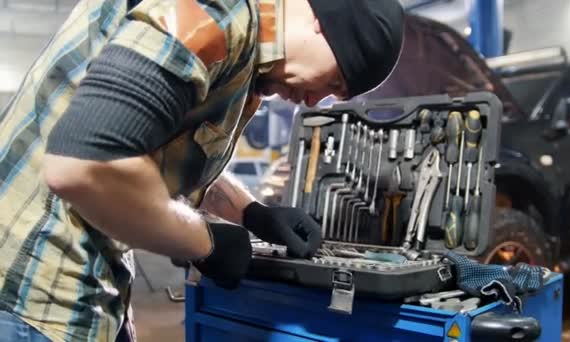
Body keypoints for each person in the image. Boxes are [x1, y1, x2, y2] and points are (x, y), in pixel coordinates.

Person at [0, 0, 404, 340]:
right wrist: (204, 242)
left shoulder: (247, 58)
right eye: (332, 83)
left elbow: (152, 155)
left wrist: (251, 213)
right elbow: (85, 164)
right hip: (30, 292)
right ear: (323, 25)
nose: (315, 102)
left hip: (85, 294)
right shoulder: (215, 12)